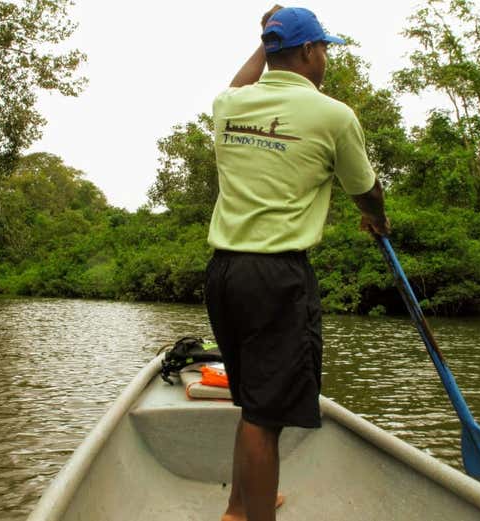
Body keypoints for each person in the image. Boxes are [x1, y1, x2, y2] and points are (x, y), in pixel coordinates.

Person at [204, 6, 391, 521]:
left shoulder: (228, 106)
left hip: (223, 276)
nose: (326, 57)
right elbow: (366, 188)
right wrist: (376, 219)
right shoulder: (333, 115)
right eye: (325, 47)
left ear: (271, 51)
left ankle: (240, 506)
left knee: (254, 404)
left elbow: (236, 83)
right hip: (277, 278)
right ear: (309, 51)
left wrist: (265, 38)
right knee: (266, 415)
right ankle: (252, 516)